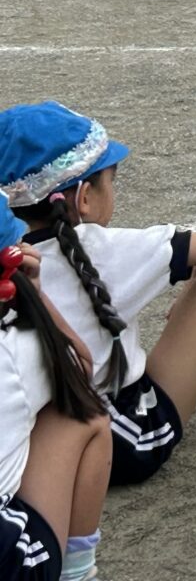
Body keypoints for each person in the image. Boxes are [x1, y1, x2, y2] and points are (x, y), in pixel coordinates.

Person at [0, 101, 196, 489]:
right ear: (84, 197)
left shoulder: (11, 260)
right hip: (127, 439)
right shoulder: (103, 247)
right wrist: (192, 284)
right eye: (110, 181)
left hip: (39, 438)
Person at [0, 206, 111, 581]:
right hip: (10, 564)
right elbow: (80, 369)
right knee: (85, 417)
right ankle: (77, 574)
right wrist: (35, 295)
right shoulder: (18, 353)